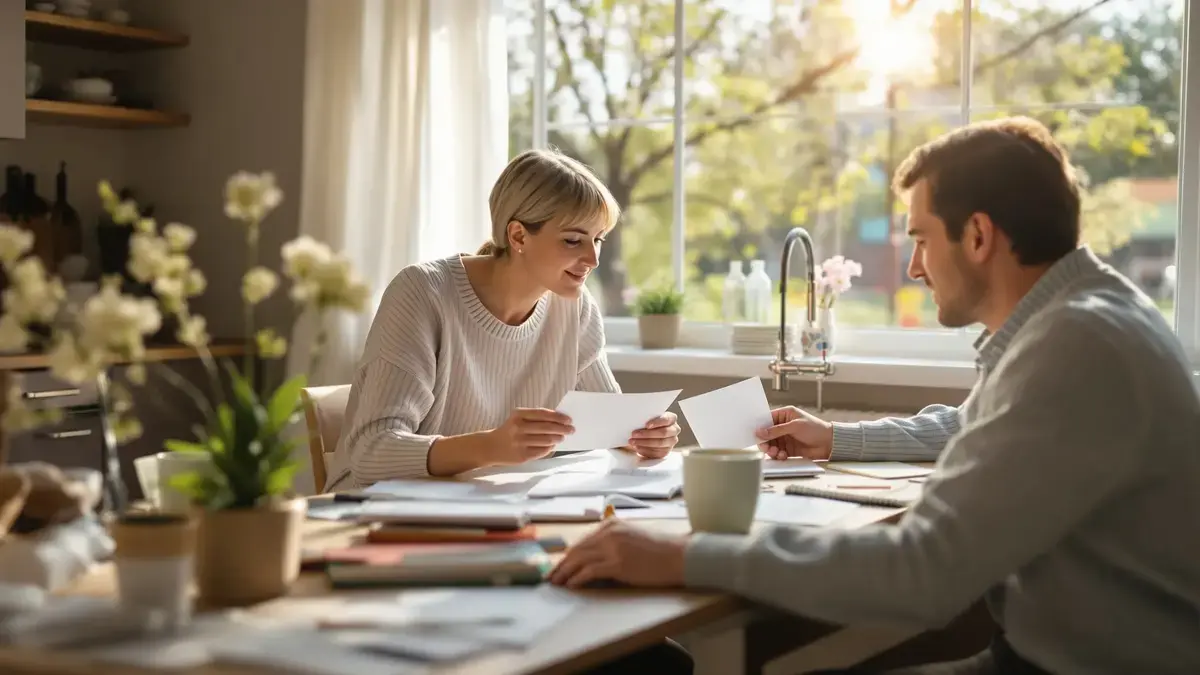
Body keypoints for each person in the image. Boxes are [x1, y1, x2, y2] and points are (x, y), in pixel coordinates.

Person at [548, 117, 1200, 674]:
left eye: (919, 237)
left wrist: (684, 553)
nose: (914, 267)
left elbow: (921, 572)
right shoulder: (1093, 314)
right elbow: (974, 426)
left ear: (977, 236)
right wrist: (837, 437)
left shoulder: (1076, 346)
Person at [323, 148, 682, 491]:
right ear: (518, 235)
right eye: (573, 241)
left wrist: (643, 437)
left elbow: (612, 428)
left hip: (491, 506)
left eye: (598, 240)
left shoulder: (575, 306)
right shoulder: (424, 292)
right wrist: (490, 446)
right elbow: (371, 453)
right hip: (372, 512)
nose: (593, 259)